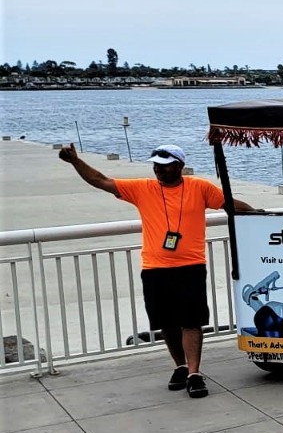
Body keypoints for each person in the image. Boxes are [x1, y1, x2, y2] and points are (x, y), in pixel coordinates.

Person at [59, 143, 256, 398]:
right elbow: (100, 180)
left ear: (179, 166)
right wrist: (75, 161)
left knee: (191, 322)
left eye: (164, 166)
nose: (158, 171)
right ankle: (181, 367)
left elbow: (229, 204)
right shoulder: (143, 188)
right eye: (155, 166)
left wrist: (257, 214)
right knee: (167, 323)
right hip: (154, 268)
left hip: (190, 266)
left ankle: (195, 373)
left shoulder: (199, 187)